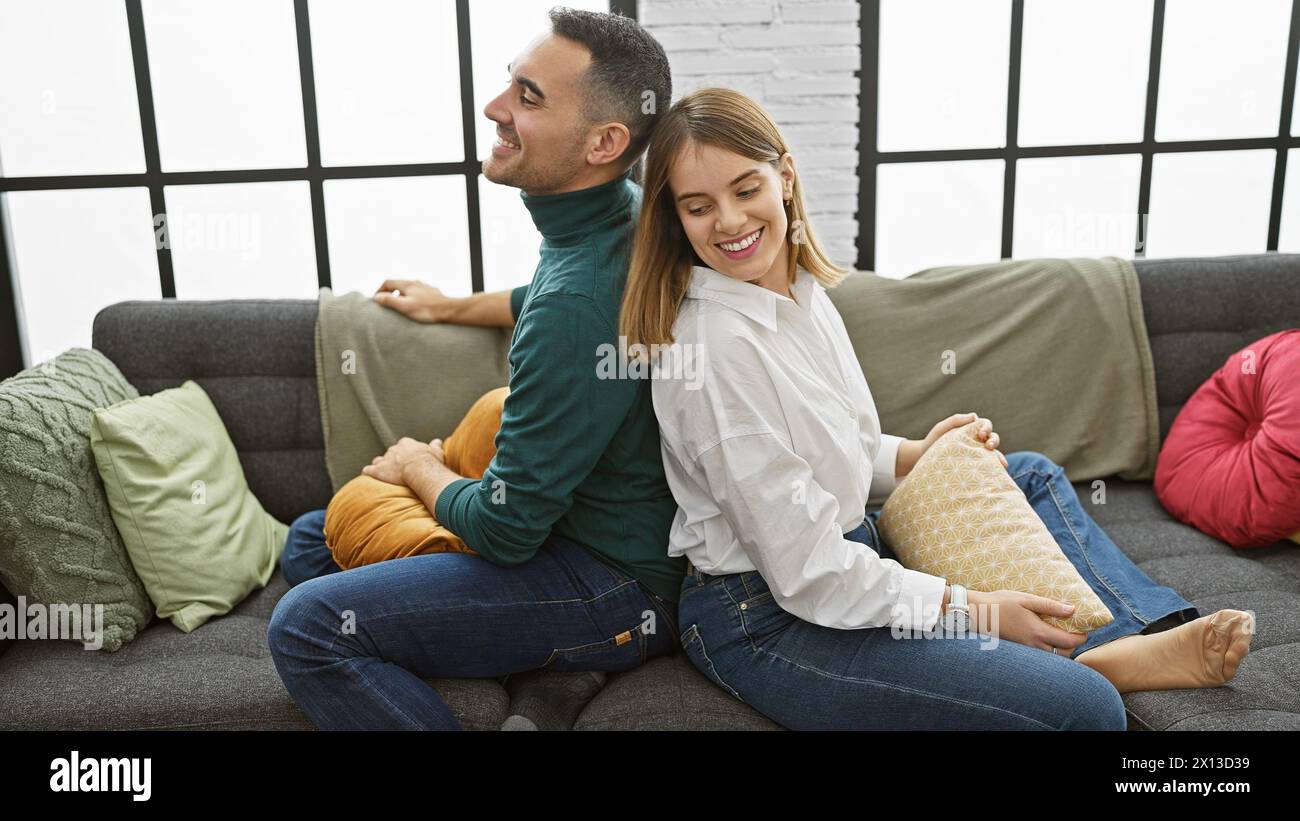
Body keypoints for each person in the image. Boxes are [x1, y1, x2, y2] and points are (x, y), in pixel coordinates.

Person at [617, 86, 1256, 730]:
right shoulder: (716, 351)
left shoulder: (800, 293)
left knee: (1024, 471)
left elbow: (836, 447)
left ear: (784, 177)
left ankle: (1116, 638)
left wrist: (918, 455)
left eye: (744, 189)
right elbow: (809, 573)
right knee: (1086, 713)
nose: (728, 221)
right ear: (676, 218)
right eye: (699, 207)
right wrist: (976, 611)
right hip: (768, 616)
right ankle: (1097, 666)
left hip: (849, 551)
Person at [267, 8, 680, 731]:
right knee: (310, 536)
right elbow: (543, 299)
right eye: (507, 86)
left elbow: (507, 530)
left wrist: (419, 467)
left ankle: (578, 650)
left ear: (604, 141)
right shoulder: (618, 214)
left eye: (528, 97)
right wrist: (447, 307)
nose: (494, 109)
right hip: (579, 530)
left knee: (307, 626)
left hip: (614, 584)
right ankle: (546, 666)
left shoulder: (580, 302)